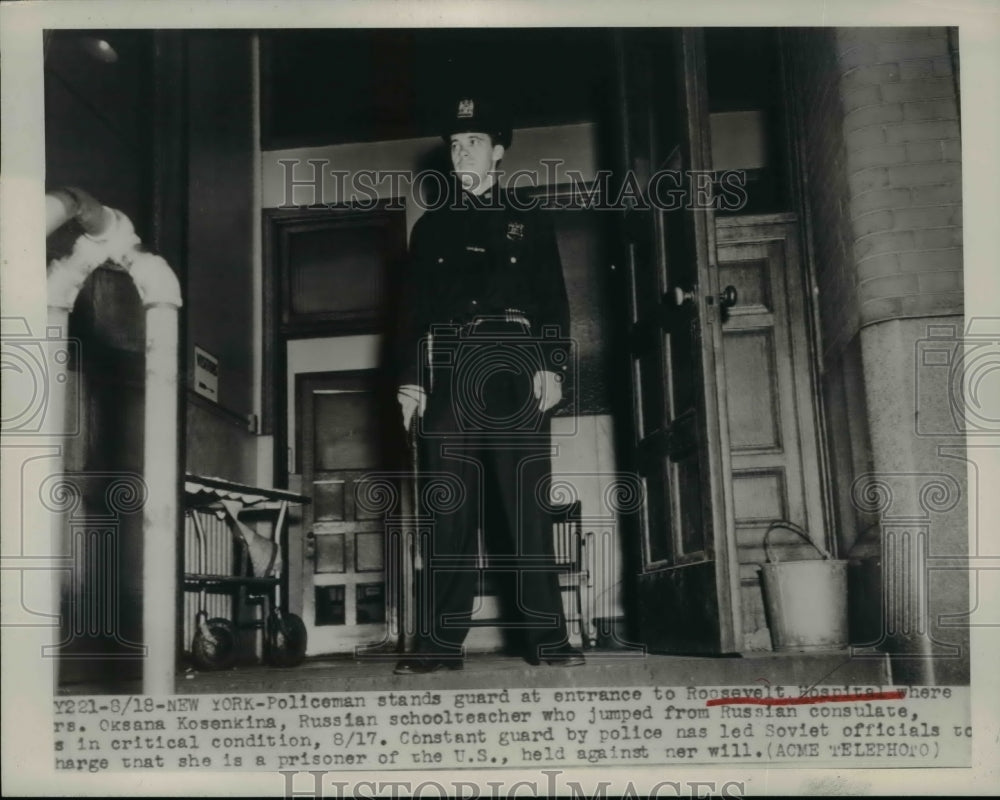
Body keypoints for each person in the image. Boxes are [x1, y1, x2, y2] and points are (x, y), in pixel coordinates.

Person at [393, 94, 585, 674]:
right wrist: (409, 382)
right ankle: (438, 644)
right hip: (450, 364)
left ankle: (548, 640)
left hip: (517, 361)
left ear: (498, 151)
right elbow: (409, 312)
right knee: (447, 505)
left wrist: (553, 364)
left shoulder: (527, 217)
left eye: (472, 142)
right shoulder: (429, 230)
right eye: (453, 143)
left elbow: (554, 297)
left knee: (525, 504)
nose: (460, 152)